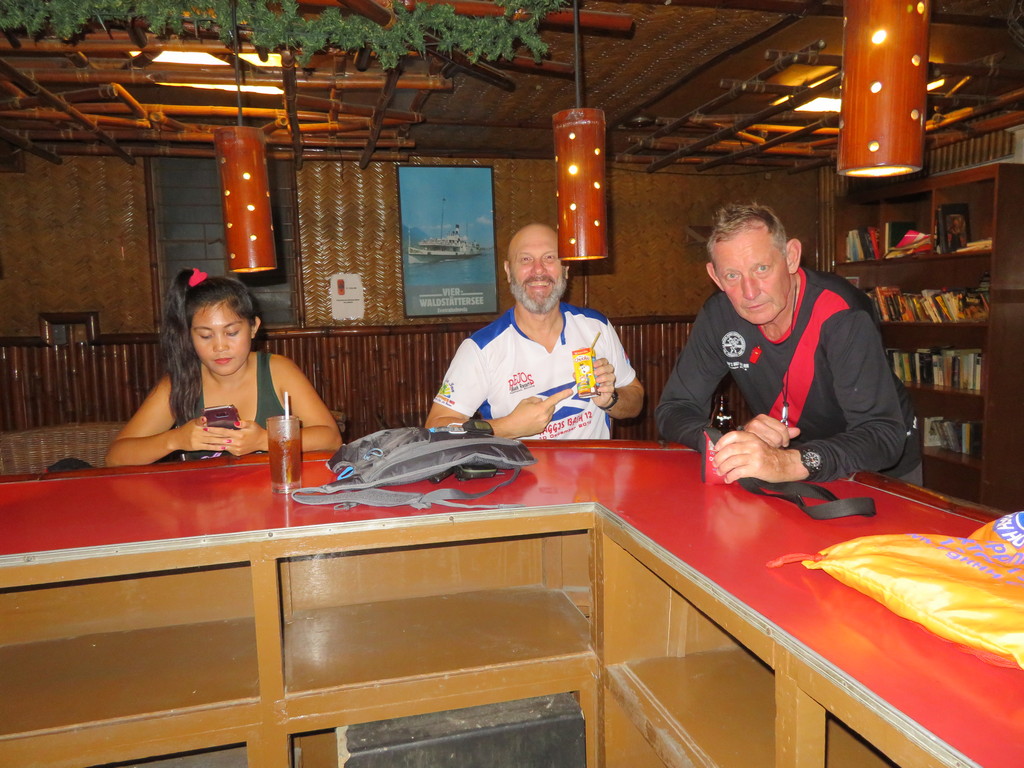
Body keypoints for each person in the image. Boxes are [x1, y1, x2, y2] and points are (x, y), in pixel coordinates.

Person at [655, 203, 920, 484]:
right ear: (715, 276)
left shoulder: (841, 313)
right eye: (732, 275)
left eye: (761, 269)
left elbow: (882, 435)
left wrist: (790, 462)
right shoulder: (719, 315)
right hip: (789, 464)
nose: (749, 292)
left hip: (874, 469)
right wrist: (730, 442)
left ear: (791, 257)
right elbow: (674, 409)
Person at [425, 223, 644, 439]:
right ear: (508, 271)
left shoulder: (596, 326)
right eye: (526, 259)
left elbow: (635, 400)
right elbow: (435, 429)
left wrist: (611, 400)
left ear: (566, 269)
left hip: (596, 464)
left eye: (549, 257)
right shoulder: (481, 349)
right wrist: (508, 427)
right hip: (518, 465)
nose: (538, 270)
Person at [106, 268, 341, 466]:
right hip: (204, 503)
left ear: (253, 327)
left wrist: (264, 439)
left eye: (231, 332)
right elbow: (115, 458)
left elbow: (331, 438)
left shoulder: (278, 370)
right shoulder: (180, 381)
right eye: (206, 336)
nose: (220, 347)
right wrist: (176, 439)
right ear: (189, 337)